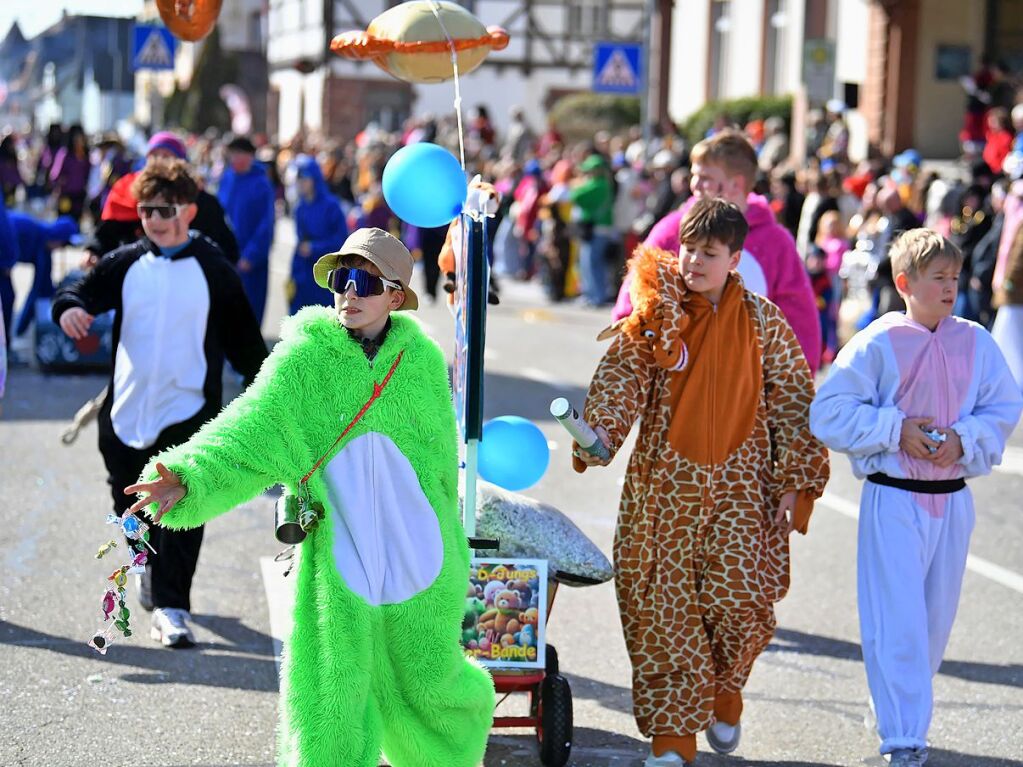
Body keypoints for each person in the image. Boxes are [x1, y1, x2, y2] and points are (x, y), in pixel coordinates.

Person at [123, 227, 495, 767]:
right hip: (341, 559)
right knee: (332, 700)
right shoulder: (303, 361)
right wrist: (187, 476)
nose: (349, 292)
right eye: (342, 278)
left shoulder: (420, 365)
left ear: (395, 296)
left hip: (421, 557)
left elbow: (440, 469)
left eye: (365, 281)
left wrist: (453, 553)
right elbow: (246, 430)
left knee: (432, 689)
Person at [574, 198, 829, 767]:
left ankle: (726, 691)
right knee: (664, 615)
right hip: (664, 493)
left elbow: (791, 399)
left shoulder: (764, 321)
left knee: (742, 606)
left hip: (743, 495)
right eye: (688, 248)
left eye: (709, 253)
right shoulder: (657, 315)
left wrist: (796, 480)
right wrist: (599, 434)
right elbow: (621, 379)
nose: (693, 261)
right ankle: (673, 744)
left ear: (735, 258)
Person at [810, 229, 1022, 766]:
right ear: (905, 284)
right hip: (895, 499)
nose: (950, 288)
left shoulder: (974, 340)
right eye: (938, 279)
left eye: (954, 278)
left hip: (952, 502)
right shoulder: (878, 342)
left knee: (931, 626)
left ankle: (896, 710)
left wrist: (965, 440)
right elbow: (828, 412)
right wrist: (893, 429)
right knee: (896, 620)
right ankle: (903, 737)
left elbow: (1002, 407)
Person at [51, 158, 267, 647]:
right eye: (146, 210)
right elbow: (76, 290)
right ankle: (148, 568)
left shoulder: (215, 270)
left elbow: (248, 350)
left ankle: (172, 606)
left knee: (181, 508)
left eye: (165, 209)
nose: (154, 219)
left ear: (189, 211)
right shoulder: (126, 262)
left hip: (187, 413)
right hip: (125, 415)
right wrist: (71, 310)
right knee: (129, 510)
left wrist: (269, 401)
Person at [612, 129, 821, 372]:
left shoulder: (775, 242)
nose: (695, 185)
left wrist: (794, 384)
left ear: (736, 184)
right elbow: (634, 295)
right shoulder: (672, 229)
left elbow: (798, 318)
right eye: (694, 175)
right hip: (678, 383)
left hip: (747, 387)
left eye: (705, 177)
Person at [84, 131, 239, 265]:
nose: (158, 162)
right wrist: (93, 251)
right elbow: (107, 233)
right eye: (153, 156)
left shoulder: (200, 199)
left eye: (166, 156)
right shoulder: (126, 190)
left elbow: (225, 246)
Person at [218, 135, 276, 325]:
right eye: (232, 154)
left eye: (239, 154)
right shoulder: (227, 178)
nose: (234, 158)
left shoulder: (261, 184)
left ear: (250, 156)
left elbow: (265, 225)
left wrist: (251, 256)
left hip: (250, 263)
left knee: (249, 313)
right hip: (227, 256)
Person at [288, 154, 348, 314]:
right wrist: (293, 274)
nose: (300, 183)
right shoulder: (300, 207)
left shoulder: (331, 206)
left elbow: (342, 240)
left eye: (305, 178)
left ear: (314, 179)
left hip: (326, 273)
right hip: (304, 271)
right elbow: (301, 242)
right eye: (298, 178)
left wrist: (315, 247)